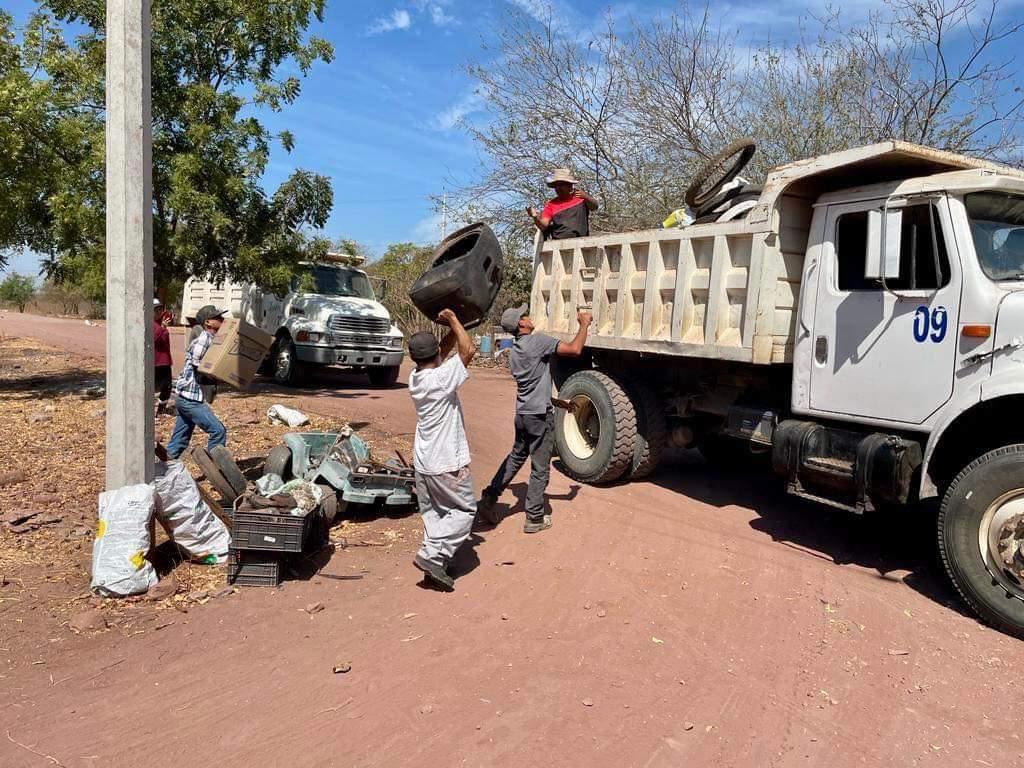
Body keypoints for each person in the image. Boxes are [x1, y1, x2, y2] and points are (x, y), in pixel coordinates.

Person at [478, 304, 592, 533]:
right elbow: (575, 349)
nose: (530, 317)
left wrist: (561, 403)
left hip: (523, 415)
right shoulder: (538, 342)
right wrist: (584, 324)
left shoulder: (515, 353)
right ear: (521, 324)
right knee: (540, 468)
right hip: (539, 417)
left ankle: (490, 497)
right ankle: (534, 518)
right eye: (525, 315)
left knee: (516, 456)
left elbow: (532, 388)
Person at [407, 309, 477, 591]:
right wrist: (454, 321)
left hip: (424, 463)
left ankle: (434, 564)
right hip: (447, 461)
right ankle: (432, 556)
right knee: (464, 510)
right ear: (435, 354)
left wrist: (452, 327)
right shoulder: (441, 380)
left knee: (434, 514)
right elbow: (468, 349)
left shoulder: (416, 378)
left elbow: (444, 352)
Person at [166, 305, 228, 459]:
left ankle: (162, 470)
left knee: (179, 441)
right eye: (218, 318)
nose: (222, 320)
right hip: (190, 399)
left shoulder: (212, 340)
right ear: (208, 322)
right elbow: (198, 366)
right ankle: (218, 470)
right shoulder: (204, 339)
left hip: (185, 397)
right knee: (218, 431)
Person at [527, 168, 598, 240]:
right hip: (559, 245)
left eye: (561, 185)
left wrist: (586, 197)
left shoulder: (581, 198)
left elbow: (595, 206)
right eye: (556, 186)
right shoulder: (551, 204)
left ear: (570, 185)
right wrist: (535, 217)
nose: (558, 188)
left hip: (581, 242)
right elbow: (544, 225)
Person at [153, 298, 173, 415]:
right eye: (156, 310)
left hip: (165, 361)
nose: (159, 312)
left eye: (161, 309)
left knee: (167, 386)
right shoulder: (151, 324)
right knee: (156, 387)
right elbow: (153, 339)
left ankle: (161, 409)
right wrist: (163, 328)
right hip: (156, 362)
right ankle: (155, 410)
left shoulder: (160, 324)